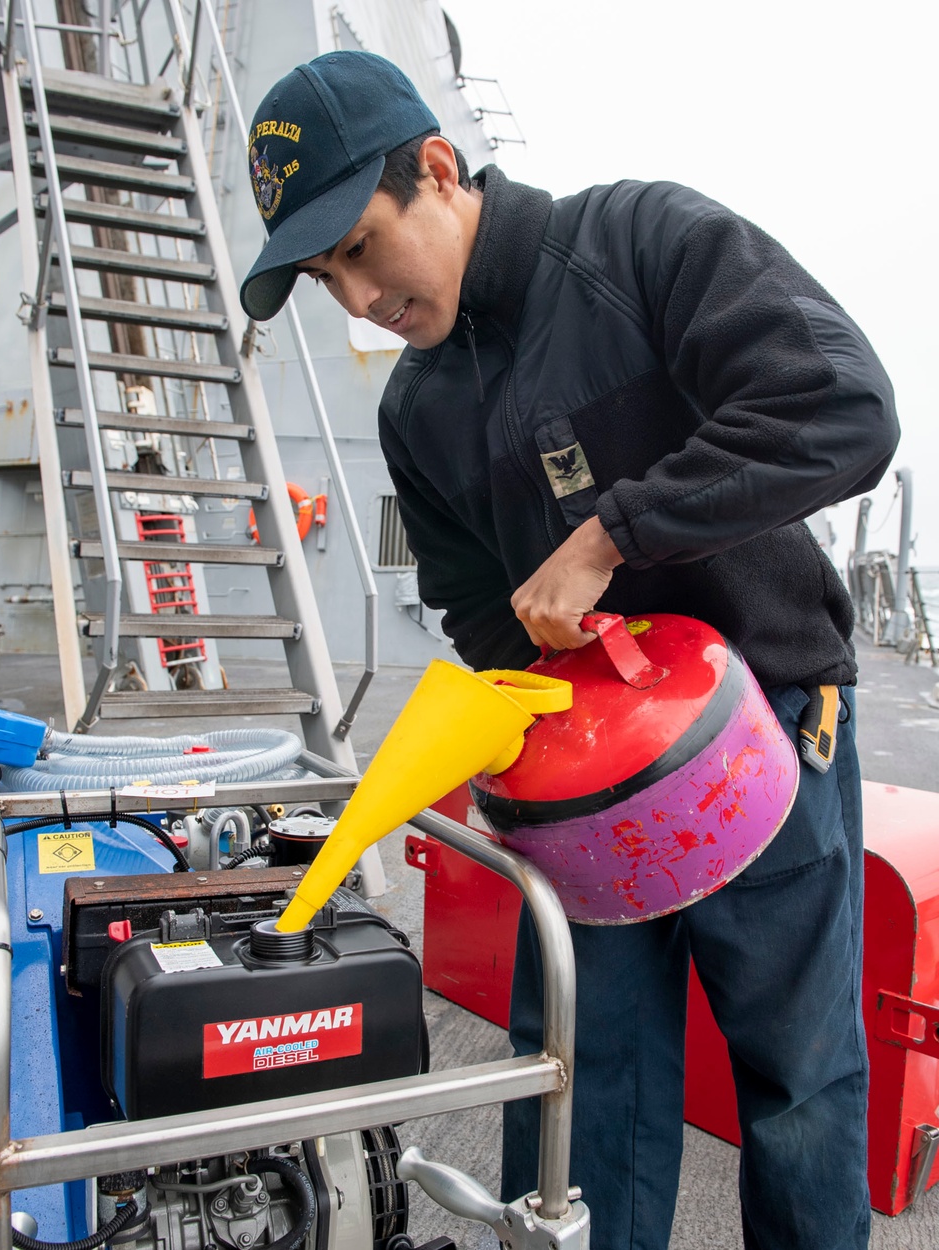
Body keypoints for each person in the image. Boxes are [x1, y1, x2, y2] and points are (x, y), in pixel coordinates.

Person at [240, 50, 899, 1250]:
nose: (354, 297)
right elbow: (473, 608)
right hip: (576, 793)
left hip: (760, 742)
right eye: (324, 271)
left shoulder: (640, 243)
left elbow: (840, 403)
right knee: (579, 1084)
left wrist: (615, 531)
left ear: (435, 168)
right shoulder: (413, 410)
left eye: (359, 246)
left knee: (800, 1089)